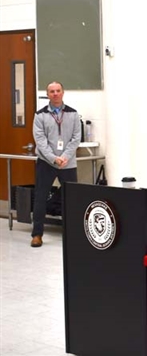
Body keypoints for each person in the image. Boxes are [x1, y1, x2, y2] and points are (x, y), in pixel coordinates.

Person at [31, 81, 81, 248]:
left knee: (72, 198)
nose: (55, 94)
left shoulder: (73, 114)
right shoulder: (40, 115)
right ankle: (37, 234)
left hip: (68, 162)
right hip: (46, 162)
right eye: (52, 91)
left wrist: (65, 156)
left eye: (58, 90)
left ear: (63, 92)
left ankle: (73, 233)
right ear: (48, 94)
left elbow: (76, 138)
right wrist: (53, 158)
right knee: (40, 197)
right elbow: (40, 141)